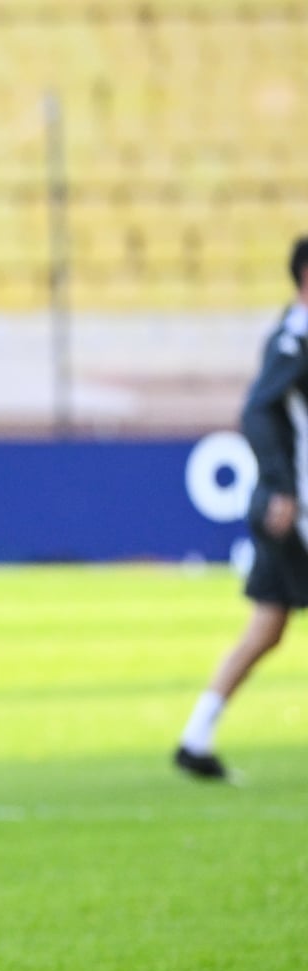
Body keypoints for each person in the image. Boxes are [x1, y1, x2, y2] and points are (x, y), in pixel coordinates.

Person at [176, 236, 308, 780]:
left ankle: (195, 737)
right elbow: (257, 410)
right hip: (296, 511)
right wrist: (280, 487)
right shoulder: (294, 338)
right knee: (266, 626)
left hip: (291, 507)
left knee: (267, 626)